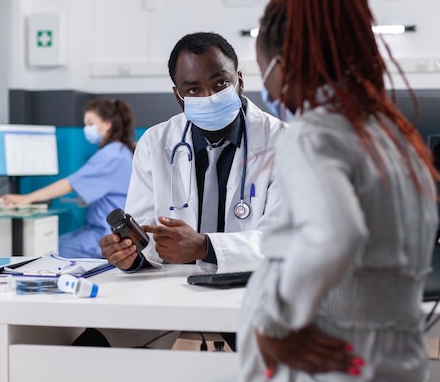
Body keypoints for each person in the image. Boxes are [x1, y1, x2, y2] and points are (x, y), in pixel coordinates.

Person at [238, 0, 440, 381]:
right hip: (390, 355)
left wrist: (274, 322)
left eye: (265, 72)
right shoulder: (395, 137)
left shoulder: (314, 134)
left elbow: (335, 236)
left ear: (282, 65)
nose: (270, 90)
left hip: (325, 358)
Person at [74, 32, 285, 349]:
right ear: (178, 95)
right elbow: (145, 239)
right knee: (88, 349)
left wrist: (206, 247)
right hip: (170, 297)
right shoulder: (156, 143)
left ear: (239, 80)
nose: (209, 95)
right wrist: (130, 256)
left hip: (251, 295)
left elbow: (285, 240)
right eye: (193, 89)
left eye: (220, 84)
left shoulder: (283, 142)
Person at [1, 98, 135, 259]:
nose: (87, 129)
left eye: (91, 123)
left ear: (107, 124)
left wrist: (26, 198)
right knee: (59, 242)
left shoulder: (111, 155)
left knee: (53, 249)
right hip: (101, 227)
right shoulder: (121, 151)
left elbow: (70, 184)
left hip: (107, 233)